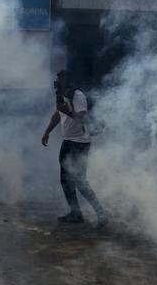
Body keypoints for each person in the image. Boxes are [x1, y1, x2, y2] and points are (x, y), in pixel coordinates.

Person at [40, 70, 108, 227]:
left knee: (79, 181)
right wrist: (47, 131)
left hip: (80, 143)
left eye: (60, 79)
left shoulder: (77, 95)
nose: (57, 82)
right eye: (57, 79)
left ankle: (101, 212)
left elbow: (82, 117)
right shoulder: (63, 94)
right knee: (65, 180)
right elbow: (58, 114)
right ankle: (75, 213)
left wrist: (68, 112)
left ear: (68, 80)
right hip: (68, 141)